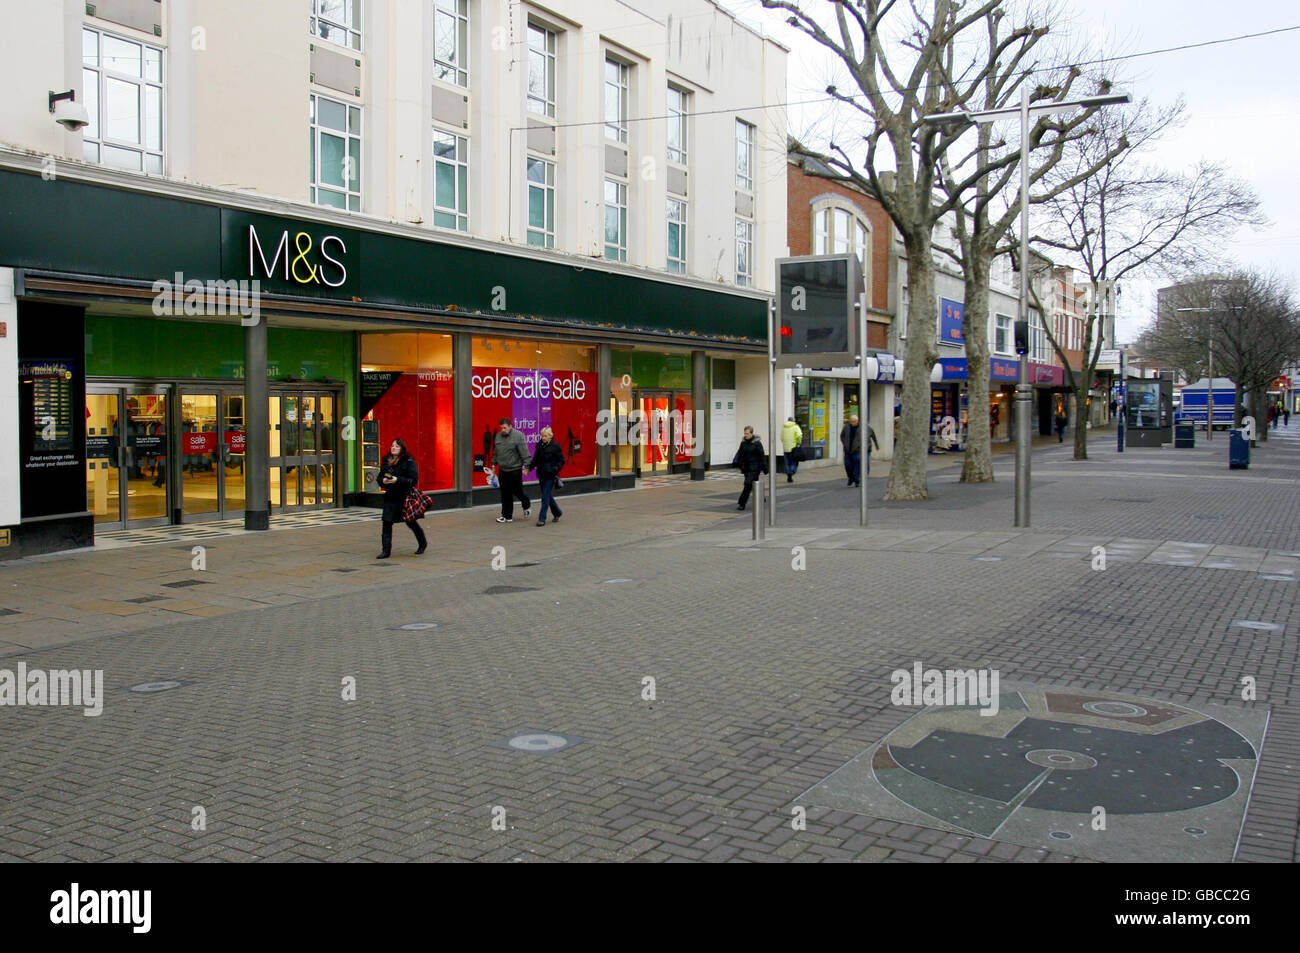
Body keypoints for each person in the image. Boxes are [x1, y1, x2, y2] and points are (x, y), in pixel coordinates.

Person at [376, 438, 426, 559]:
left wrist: (397, 480)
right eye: (392, 445)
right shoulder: (386, 460)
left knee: (410, 522)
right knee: (386, 522)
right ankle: (386, 551)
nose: (393, 448)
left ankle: (422, 543)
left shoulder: (408, 460)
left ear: (402, 449)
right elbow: (380, 477)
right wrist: (383, 481)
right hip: (390, 497)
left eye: (397, 446)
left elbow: (413, 479)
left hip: (404, 497)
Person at [490, 417, 531, 523]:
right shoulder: (498, 436)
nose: (503, 430)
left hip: (515, 469)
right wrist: (494, 463)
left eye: (505, 428)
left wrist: (526, 466)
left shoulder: (518, 436)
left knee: (518, 491)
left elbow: (524, 452)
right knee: (505, 493)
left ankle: (526, 505)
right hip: (503, 469)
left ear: (510, 426)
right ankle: (506, 516)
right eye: (501, 428)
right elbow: (496, 451)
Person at [527, 426, 565, 526]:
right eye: (542, 436)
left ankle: (542, 519)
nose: (543, 437)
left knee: (544, 497)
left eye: (545, 436)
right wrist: (529, 469)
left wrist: (555, 468)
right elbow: (535, 459)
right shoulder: (539, 445)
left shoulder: (555, 446)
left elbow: (562, 460)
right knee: (547, 496)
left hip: (551, 475)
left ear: (550, 436)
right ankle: (557, 512)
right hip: (541, 474)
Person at [732, 426, 768, 510]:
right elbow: (739, 453)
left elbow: (762, 456)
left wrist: (765, 468)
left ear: (752, 433)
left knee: (747, 484)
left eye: (747, 433)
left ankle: (742, 503)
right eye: (745, 433)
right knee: (753, 484)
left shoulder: (757, 443)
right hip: (746, 468)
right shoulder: (743, 443)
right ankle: (761, 496)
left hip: (755, 468)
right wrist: (735, 461)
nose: (746, 435)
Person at [839, 414, 878, 487]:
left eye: (854, 421)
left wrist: (873, 446)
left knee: (856, 466)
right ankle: (851, 478)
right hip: (847, 450)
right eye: (851, 421)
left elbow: (872, 436)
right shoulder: (846, 427)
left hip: (857, 450)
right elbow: (842, 436)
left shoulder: (863, 428)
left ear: (857, 421)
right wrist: (845, 443)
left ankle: (857, 480)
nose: (852, 423)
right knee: (847, 466)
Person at [780, 416, 804, 483]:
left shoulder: (784, 428)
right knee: (794, 462)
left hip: (785, 448)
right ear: (793, 421)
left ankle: (789, 474)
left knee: (787, 463)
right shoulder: (795, 426)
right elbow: (799, 435)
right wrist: (798, 443)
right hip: (793, 448)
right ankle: (792, 472)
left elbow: (781, 438)